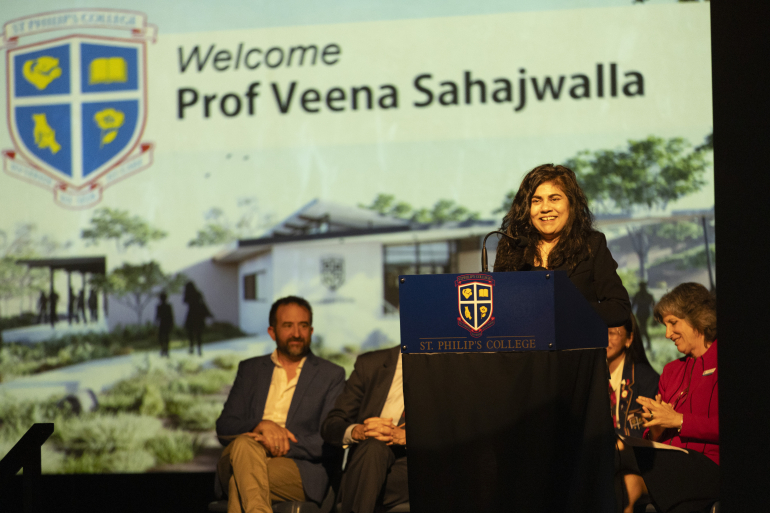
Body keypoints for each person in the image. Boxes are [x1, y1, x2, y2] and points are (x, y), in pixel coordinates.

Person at [216, 296, 345, 513]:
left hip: (298, 468)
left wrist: (274, 443)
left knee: (240, 479)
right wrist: (260, 425)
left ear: (311, 331)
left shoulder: (331, 375)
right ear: (272, 332)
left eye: (303, 326)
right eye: (288, 325)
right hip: (242, 455)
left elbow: (328, 438)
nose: (296, 333)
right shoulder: (250, 370)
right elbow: (225, 426)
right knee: (244, 447)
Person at [616, 282, 719, 513]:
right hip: (670, 465)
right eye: (665, 325)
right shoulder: (671, 371)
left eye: (673, 323)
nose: (667, 334)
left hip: (709, 465)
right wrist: (656, 428)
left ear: (699, 319)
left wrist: (680, 421)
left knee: (611, 453)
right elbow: (657, 436)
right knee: (622, 485)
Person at [494, 163, 631, 327]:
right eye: (536, 200)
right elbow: (499, 308)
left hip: (575, 350)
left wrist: (569, 311)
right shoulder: (511, 247)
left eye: (554, 199)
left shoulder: (591, 244)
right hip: (527, 350)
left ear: (571, 204)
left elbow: (619, 308)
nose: (545, 208)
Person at [321, 345, 408, 513]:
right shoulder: (370, 364)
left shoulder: (453, 364)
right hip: (368, 460)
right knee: (373, 446)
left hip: (418, 465)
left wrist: (407, 436)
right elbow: (331, 425)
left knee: (364, 482)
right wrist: (359, 431)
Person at [608, 313, 660, 438]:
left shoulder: (647, 379)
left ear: (629, 339)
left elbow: (645, 430)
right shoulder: (589, 376)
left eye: (612, 333)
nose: (604, 338)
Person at [183, 281, 212, 356]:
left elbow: (184, 301)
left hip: (191, 315)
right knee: (199, 334)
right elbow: (203, 303)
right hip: (198, 316)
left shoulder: (188, 295)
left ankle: (191, 348)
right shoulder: (198, 294)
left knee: (190, 334)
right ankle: (199, 350)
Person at [632, 281, 655, 351]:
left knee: (642, 329)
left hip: (642, 314)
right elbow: (653, 306)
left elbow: (633, 305)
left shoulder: (638, 295)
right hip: (644, 314)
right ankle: (646, 345)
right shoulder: (648, 295)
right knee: (643, 329)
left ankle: (642, 345)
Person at [155, 291, 174, 357]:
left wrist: (156, 323)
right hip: (166, 324)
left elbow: (157, 316)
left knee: (163, 337)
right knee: (165, 338)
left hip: (163, 324)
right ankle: (165, 350)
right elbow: (171, 316)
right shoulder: (167, 306)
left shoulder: (159, 307)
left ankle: (164, 349)